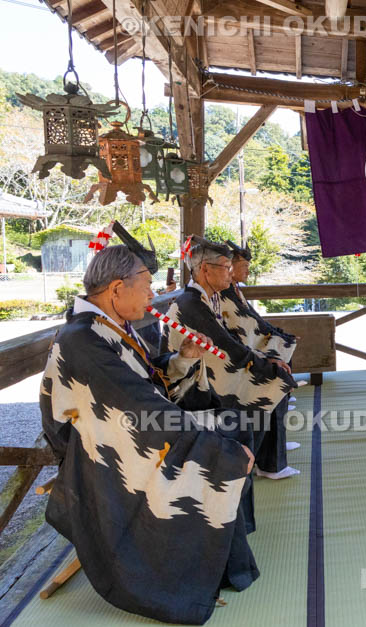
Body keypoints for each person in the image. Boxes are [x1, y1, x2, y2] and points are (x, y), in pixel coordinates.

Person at [39, 226, 258, 625]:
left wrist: (182, 359)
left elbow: (144, 385)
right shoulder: (82, 340)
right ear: (116, 289)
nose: (152, 294)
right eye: (146, 286)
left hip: (127, 428)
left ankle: (224, 556)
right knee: (223, 448)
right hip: (99, 453)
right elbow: (140, 406)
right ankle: (193, 571)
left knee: (236, 425)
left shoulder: (104, 327)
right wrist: (217, 450)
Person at [166, 237, 297, 531]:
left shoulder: (208, 296)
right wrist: (264, 364)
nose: (230, 272)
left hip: (212, 369)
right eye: (225, 267)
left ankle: (256, 461)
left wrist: (267, 357)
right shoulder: (191, 302)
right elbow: (225, 343)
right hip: (195, 383)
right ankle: (251, 464)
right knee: (271, 381)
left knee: (275, 375)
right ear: (204, 270)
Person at [220, 240, 301, 480]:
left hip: (250, 349)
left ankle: (276, 446)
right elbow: (239, 328)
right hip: (239, 358)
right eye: (243, 266)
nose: (247, 271)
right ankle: (270, 462)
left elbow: (255, 320)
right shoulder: (221, 294)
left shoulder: (234, 290)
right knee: (275, 377)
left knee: (282, 357)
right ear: (229, 267)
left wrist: (279, 334)